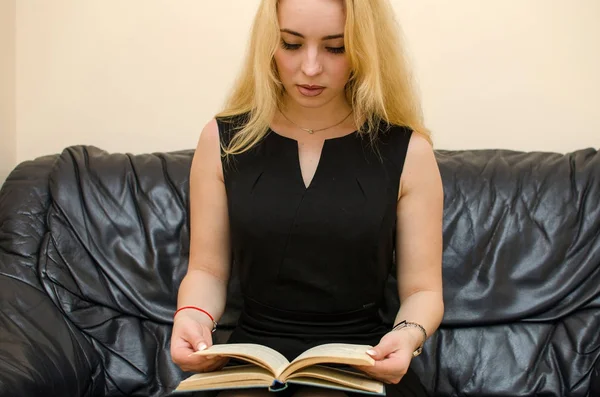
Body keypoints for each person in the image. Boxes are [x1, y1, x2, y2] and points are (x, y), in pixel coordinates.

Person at [170, 0, 444, 395]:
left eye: (335, 48)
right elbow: (207, 271)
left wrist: (408, 334)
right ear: (269, 44)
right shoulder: (221, 140)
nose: (311, 68)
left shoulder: (408, 151)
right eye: (292, 44)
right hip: (252, 361)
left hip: (360, 360)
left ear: (365, 49)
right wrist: (192, 316)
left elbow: (423, 291)